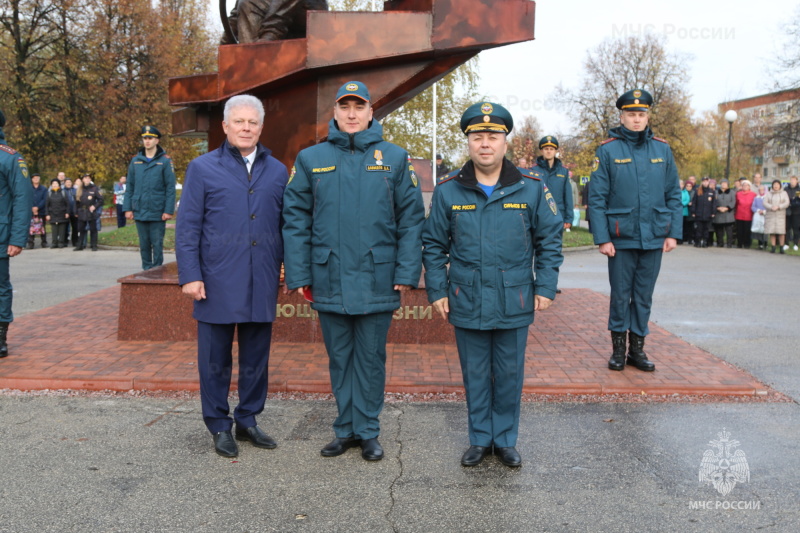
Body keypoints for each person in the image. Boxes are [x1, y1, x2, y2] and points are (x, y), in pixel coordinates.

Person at [282, 81, 425, 462]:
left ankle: (368, 431)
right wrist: (298, 274)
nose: (351, 113)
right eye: (344, 106)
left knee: (370, 358)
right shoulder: (311, 159)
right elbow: (295, 219)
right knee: (340, 357)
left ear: (370, 112)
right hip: (328, 275)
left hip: (378, 276)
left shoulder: (394, 158)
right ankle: (344, 429)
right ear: (334, 112)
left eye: (358, 106)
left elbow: (411, 220)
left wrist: (407, 270)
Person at [422, 102, 562, 468]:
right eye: (478, 136)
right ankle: (480, 439)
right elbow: (434, 245)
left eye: (493, 136)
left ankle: (506, 440)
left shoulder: (531, 188)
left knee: (510, 373)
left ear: (505, 142)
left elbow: (550, 241)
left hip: (515, 297)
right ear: (468, 142)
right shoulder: (448, 190)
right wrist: (436, 289)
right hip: (465, 297)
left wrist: (545, 287)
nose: (486, 143)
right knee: (475, 373)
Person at [176, 94, 288, 458]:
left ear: (261, 127)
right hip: (216, 281)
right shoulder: (203, 168)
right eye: (238, 121)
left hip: (261, 279)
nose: (245, 128)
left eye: (252, 122)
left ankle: (248, 419)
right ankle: (219, 425)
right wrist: (190, 274)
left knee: (257, 358)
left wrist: (288, 266)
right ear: (225, 126)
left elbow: (287, 224)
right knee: (214, 360)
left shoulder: (277, 170)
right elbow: (188, 226)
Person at [588, 88, 681, 372]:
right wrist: (602, 238)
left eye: (641, 114)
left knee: (643, 296)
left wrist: (673, 233)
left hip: (654, 236)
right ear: (622, 116)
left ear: (647, 115)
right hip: (621, 237)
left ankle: (637, 351)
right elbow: (596, 198)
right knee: (620, 295)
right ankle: (617, 350)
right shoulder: (607, 150)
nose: (636, 119)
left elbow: (673, 194)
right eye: (631, 114)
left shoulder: (662, 149)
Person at [0, 110, 33, 358]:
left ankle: (1, 337)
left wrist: (17, 238)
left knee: (0, 287)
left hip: (1, 235)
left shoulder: (10, 158)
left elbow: (23, 199)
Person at [123, 126, 176, 271]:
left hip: (157, 210)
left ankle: (157, 271)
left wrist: (168, 210)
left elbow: (170, 187)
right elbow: (130, 186)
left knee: (157, 243)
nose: (147, 141)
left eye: (150, 138)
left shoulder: (165, 161)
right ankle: (146, 271)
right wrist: (127, 208)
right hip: (139, 208)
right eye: (145, 138)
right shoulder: (135, 161)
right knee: (144, 243)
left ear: (157, 140)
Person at [222, 0, 328, 44]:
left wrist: (269, 35)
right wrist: (225, 42)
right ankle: (249, 59)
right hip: (274, 12)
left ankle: (263, 48)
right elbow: (235, 14)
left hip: (308, 10)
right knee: (247, 3)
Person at [530, 136, 573, 231]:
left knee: (556, 244)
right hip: (539, 217)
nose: (549, 151)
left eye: (551, 149)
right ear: (541, 151)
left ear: (555, 151)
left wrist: (569, 218)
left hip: (558, 216)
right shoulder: (533, 170)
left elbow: (568, 196)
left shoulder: (563, 171)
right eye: (546, 149)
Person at [74, 174, 102, 251]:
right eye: (85, 178)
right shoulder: (79, 189)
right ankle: (80, 245)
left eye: (88, 178)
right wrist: (76, 212)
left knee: (93, 229)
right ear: (83, 180)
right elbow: (76, 202)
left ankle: (94, 245)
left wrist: (95, 206)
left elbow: (100, 200)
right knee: (81, 229)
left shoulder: (94, 189)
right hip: (82, 211)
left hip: (90, 211)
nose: (87, 179)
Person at [763, 179, 790, 254]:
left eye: (777, 184)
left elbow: (787, 202)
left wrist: (779, 206)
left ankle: (781, 247)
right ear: (772, 185)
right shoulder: (768, 193)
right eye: (774, 184)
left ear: (780, 185)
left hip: (780, 215)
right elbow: (765, 202)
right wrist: (771, 207)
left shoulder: (784, 193)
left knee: (781, 232)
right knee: (772, 232)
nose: (776, 186)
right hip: (771, 214)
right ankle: (773, 247)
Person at [45, 179, 69, 248]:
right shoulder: (49, 193)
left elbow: (67, 204)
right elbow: (46, 205)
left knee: (62, 229)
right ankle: (54, 243)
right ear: (51, 185)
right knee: (54, 229)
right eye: (53, 183)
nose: (55, 185)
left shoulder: (63, 193)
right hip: (52, 213)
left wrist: (67, 212)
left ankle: (61, 242)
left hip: (62, 213)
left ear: (59, 185)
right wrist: (47, 214)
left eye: (56, 183)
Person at [691, 177, 715, 248]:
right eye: (704, 181)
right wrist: (693, 211)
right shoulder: (698, 191)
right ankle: (697, 242)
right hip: (699, 214)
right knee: (699, 229)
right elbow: (694, 202)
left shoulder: (711, 192)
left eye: (706, 182)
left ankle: (705, 242)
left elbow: (714, 203)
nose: (705, 183)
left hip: (708, 214)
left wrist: (713, 212)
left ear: (708, 182)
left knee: (706, 229)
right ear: (702, 182)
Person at [27, 173, 48, 249]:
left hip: (41, 210)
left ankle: (44, 242)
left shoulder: (44, 189)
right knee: (31, 227)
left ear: (39, 179)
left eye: (37, 178)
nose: (36, 179)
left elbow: (45, 199)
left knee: (42, 227)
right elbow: (27, 198)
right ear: (32, 179)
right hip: (31, 210)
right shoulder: (28, 188)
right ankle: (30, 243)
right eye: (34, 178)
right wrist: (33, 207)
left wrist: (38, 207)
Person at [713, 178, 735, 247]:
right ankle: (720, 243)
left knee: (729, 231)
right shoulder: (716, 192)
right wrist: (718, 207)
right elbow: (714, 201)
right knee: (719, 231)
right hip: (719, 214)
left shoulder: (731, 192)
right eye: (722, 183)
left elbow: (733, 202)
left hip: (728, 214)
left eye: (725, 183)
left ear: (727, 184)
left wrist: (727, 208)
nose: (723, 184)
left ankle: (729, 244)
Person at [734, 179, 756, 249]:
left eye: (747, 185)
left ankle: (747, 244)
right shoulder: (738, 194)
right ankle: (740, 243)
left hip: (749, 215)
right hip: (739, 214)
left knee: (747, 230)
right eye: (744, 185)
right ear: (742, 186)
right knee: (739, 230)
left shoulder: (753, 194)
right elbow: (736, 204)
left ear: (749, 186)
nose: (745, 186)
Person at [784, 176, 800, 251]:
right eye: (791, 180)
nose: (792, 181)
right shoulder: (786, 189)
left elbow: (797, 200)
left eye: (794, 180)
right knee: (787, 228)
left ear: (797, 181)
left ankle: (796, 243)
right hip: (787, 210)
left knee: (796, 228)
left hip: (797, 211)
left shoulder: (799, 189)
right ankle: (786, 243)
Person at [751, 185, 768, 250]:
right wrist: (758, 210)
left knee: (765, 229)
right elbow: (753, 207)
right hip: (758, 215)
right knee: (759, 228)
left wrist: (764, 211)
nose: (761, 191)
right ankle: (760, 243)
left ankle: (765, 243)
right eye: (760, 190)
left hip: (765, 215)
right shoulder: (756, 198)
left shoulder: (767, 197)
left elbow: (769, 206)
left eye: (762, 190)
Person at [63, 178, 78, 247]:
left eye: (69, 182)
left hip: (74, 211)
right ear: (64, 183)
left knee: (75, 227)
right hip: (66, 212)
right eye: (67, 182)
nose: (68, 183)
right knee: (65, 227)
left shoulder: (75, 191)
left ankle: (75, 241)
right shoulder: (62, 191)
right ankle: (65, 241)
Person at [681, 180, 695, 245]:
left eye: (690, 186)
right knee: (684, 225)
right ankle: (683, 238)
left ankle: (690, 239)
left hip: (691, 210)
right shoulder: (683, 192)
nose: (689, 187)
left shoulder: (694, 193)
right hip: (684, 210)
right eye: (687, 186)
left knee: (691, 226)